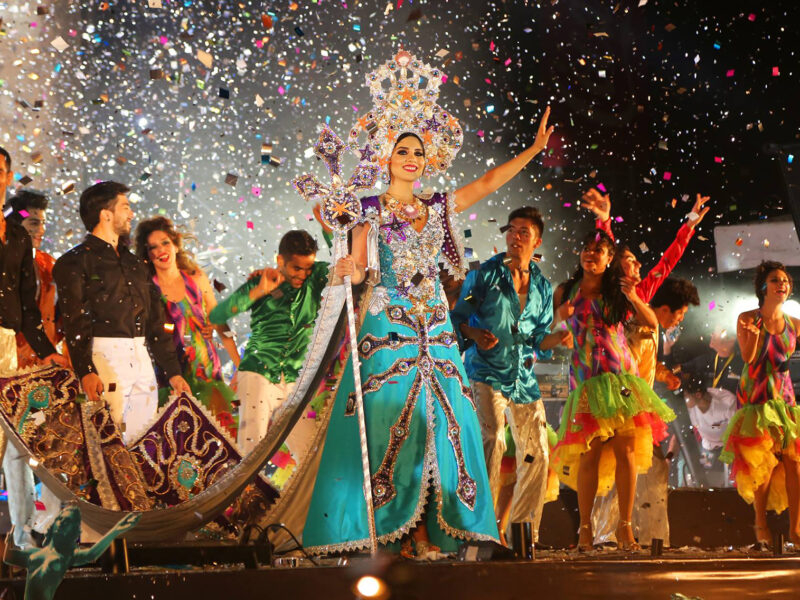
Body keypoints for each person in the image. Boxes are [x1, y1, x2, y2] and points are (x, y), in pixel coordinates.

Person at [303, 49, 555, 557]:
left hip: (436, 328)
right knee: (389, 417)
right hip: (387, 322)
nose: (412, 158)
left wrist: (531, 151)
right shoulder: (367, 208)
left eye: (418, 151)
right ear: (387, 159)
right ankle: (388, 530)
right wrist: (348, 270)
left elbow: (486, 184)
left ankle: (441, 529)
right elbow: (356, 261)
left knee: (450, 420)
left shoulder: (438, 206)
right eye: (402, 152)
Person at [450, 206, 569, 547]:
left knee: (538, 453)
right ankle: (482, 529)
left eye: (523, 233)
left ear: (537, 241)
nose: (515, 237)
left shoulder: (543, 286)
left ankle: (523, 533)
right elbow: (457, 319)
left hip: (522, 377)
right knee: (494, 440)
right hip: (485, 370)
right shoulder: (484, 276)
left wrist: (558, 337)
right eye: (511, 230)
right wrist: (474, 335)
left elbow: (538, 339)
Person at [550, 230, 675, 551]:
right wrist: (558, 319)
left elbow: (651, 322)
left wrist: (633, 296)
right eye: (587, 250)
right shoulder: (566, 291)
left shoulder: (617, 291)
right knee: (589, 456)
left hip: (621, 380)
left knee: (627, 452)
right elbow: (546, 332)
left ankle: (625, 529)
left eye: (599, 251)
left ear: (609, 260)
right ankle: (585, 531)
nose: (591, 255)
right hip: (586, 383)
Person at [53, 181, 189, 444]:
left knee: (143, 440)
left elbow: (156, 321)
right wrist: (86, 370)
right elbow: (74, 322)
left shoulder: (136, 264)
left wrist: (173, 371)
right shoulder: (74, 261)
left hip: (142, 356)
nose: (131, 214)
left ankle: (135, 486)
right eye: (125, 207)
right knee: (104, 441)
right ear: (106, 214)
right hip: (104, 356)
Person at [208, 229, 330, 454]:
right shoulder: (261, 282)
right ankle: (247, 491)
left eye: (307, 268)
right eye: (296, 268)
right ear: (280, 260)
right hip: (259, 374)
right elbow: (217, 317)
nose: (302, 275)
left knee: (311, 452)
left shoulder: (315, 279)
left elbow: (343, 259)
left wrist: (327, 226)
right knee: (252, 452)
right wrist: (259, 291)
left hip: (294, 379)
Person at [0, 148, 67, 549]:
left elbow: (27, 307)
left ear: (7, 176)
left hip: (9, 343)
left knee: (15, 445)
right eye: (34, 220)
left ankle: (26, 538)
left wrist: (46, 351)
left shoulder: (18, 239)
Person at [721, 261, 800, 548]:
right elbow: (749, 358)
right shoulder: (747, 317)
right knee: (762, 463)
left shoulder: (795, 324)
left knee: (794, 461)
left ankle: (796, 529)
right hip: (755, 394)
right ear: (763, 287)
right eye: (776, 280)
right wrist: (754, 337)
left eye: (785, 281)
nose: (782, 284)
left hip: (784, 396)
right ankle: (761, 523)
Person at [133, 216, 239, 431]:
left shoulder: (196, 278)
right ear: (147, 254)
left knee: (217, 437)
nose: (161, 250)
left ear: (175, 244)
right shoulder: (147, 288)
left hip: (207, 369)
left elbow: (220, 322)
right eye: (153, 247)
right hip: (171, 375)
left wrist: (239, 364)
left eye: (165, 242)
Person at [4, 190, 64, 369]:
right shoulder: (6, 262)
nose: (41, 229)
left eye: (43, 223)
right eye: (34, 222)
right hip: (11, 354)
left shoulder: (48, 263)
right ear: (16, 224)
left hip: (44, 353)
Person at [684, 373, 736, 469]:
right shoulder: (688, 409)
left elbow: (737, 427)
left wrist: (717, 425)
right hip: (706, 447)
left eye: (686, 397)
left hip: (729, 448)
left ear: (698, 395)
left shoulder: (727, 402)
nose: (684, 401)